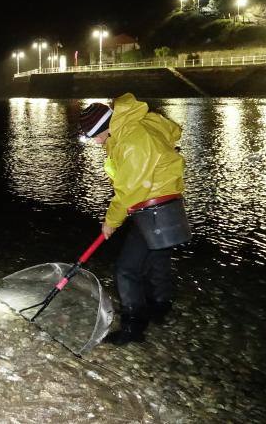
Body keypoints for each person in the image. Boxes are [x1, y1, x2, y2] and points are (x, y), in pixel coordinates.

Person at [78, 93, 191, 345]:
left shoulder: (131, 141)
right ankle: (160, 307)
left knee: (127, 270)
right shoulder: (133, 127)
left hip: (153, 208)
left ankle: (133, 327)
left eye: (94, 136)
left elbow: (128, 191)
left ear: (104, 128)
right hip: (167, 202)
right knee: (158, 258)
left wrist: (111, 221)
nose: (95, 143)